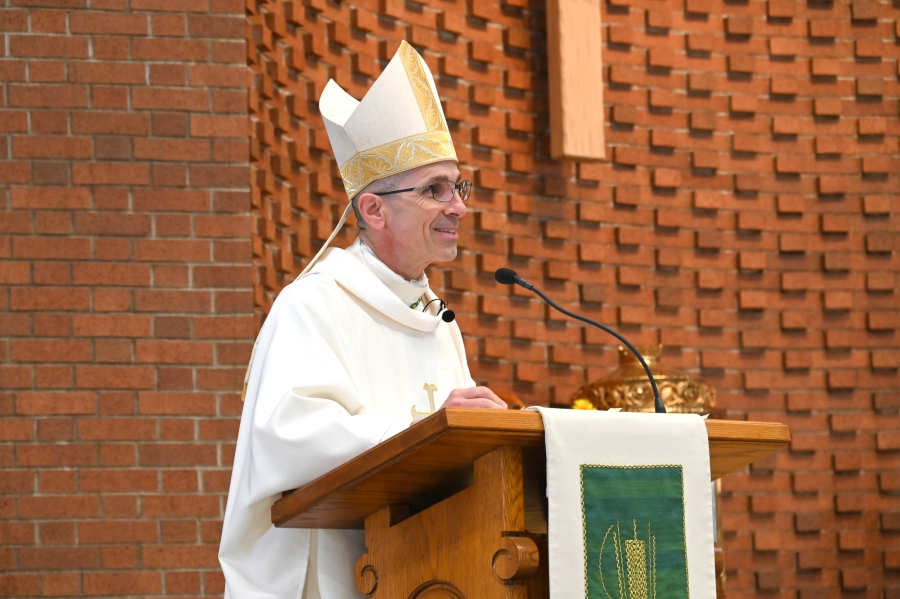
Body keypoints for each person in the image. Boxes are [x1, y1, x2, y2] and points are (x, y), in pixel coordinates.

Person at [218, 41, 507, 599]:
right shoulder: (314, 304)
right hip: (336, 575)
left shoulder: (439, 321)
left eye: (458, 186)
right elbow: (289, 435)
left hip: (431, 570)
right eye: (435, 190)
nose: (459, 206)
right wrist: (428, 432)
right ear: (374, 209)